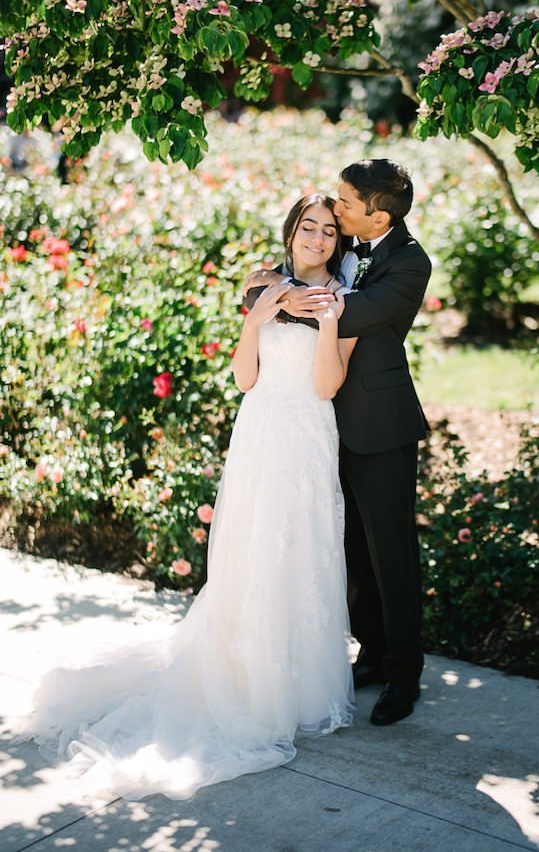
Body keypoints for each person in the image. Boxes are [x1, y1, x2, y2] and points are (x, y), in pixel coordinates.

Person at [21, 194, 357, 800]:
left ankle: (302, 684)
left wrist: (330, 318)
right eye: (308, 227)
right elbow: (244, 377)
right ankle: (248, 677)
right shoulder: (265, 286)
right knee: (254, 550)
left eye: (328, 231)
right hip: (261, 429)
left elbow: (328, 385)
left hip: (309, 432)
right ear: (291, 233)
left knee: (306, 551)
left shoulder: (344, 295)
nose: (317, 238)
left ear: (338, 240)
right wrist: (263, 311)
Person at [248, 159, 432, 727]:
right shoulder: (345, 244)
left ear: (377, 213)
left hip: (378, 425)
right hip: (316, 423)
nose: (337, 206)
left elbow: (349, 313)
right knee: (348, 549)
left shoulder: (408, 263)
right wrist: (270, 288)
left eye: (347, 202)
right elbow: (291, 269)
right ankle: (372, 653)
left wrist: (273, 299)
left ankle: (404, 674)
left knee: (390, 552)